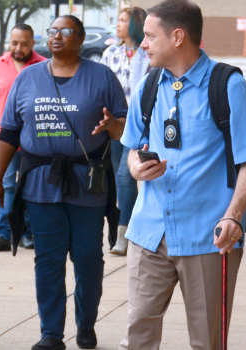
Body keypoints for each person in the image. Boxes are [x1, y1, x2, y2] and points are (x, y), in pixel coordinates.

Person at [118, 1, 246, 349]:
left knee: (207, 339)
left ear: (178, 37)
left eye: (151, 36)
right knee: (137, 334)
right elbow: (132, 148)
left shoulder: (229, 87)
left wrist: (233, 216)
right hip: (149, 232)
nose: (144, 44)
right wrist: (137, 165)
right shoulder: (149, 85)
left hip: (208, 238)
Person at [0, 15, 127, 350]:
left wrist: (112, 126)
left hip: (88, 184)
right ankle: (51, 333)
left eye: (66, 32)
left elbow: (125, 128)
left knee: (88, 259)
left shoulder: (101, 77)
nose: (57, 37)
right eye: (52, 31)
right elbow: (8, 133)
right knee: (47, 261)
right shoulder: (28, 79)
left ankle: (86, 323)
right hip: (40, 184)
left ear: (80, 39)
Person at [0, 24, 45, 252]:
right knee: (6, 185)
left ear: (32, 44)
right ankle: (4, 233)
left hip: (35, 139)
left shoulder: (44, 65)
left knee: (30, 186)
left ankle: (27, 233)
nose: (19, 48)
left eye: (25, 43)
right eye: (14, 43)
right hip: (3, 139)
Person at [99, 6, 150, 256]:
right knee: (122, 181)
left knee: (124, 177)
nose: (117, 25)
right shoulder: (111, 53)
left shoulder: (148, 54)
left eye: (122, 20)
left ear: (135, 25)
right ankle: (130, 229)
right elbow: (101, 87)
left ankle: (124, 235)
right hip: (117, 125)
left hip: (141, 125)